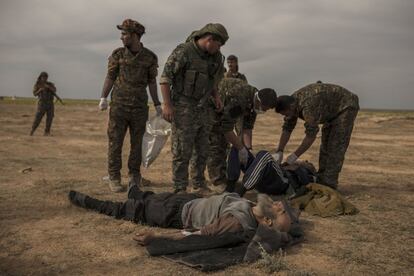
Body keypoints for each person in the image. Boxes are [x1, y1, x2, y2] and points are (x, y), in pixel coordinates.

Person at [68, 186, 292, 238]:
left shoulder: (238, 223)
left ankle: (86, 201)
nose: (280, 205)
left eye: (280, 211)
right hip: (189, 200)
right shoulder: (253, 206)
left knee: (125, 210)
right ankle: (137, 192)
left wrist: (158, 237)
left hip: (174, 214)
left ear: (269, 222)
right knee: (149, 196)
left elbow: (200, 233)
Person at [160, 23, 228, 194]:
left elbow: (212, 80)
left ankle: (198, 184)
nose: (219, 49)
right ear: (209, 39)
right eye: (218, 45)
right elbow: (165, 79)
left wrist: (216, 96)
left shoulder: (215, 58)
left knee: (202, 148)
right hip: (183, 106)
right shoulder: (184, 51)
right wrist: (167, 105)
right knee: (182, 150)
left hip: (203, 107)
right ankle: (179, 188)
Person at [98, 19, 162, 193]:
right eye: (122, 34)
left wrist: (157, 104)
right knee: (115, 142)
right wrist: (103, 97)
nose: (121, 37)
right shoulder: (118, 54)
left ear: (135, 36)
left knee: (137, 144)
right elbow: (110, 76)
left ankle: (134, 176)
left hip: (139, 108)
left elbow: (152, 82)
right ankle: (114, 177)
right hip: (119, 106)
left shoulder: (149, 57)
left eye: (125, 34)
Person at [273, 81, 359, 189]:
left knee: (335, 146)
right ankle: (322, 178)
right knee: (325, 145)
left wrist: (294, 156)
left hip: (345, 106)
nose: (286, 116)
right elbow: (287, 128)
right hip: (330, 110)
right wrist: (279, 151)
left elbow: (311, 136)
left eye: (285, 114)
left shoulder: (308, 107)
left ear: (291, 107)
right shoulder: (292, 103)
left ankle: (329, 184)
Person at [207, 78, 278, 190]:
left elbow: (247, 128)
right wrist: (241, 148)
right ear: (259, 101)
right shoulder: (239, 98)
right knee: (217, 143)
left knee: (229, 145)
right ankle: (217, 181)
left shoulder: (254, 102)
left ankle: (223, 177)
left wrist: (248, 149)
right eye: (264, 108)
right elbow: (226, 128)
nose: (264, 111)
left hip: (224, 109)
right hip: (210, 106)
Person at [30, 72, 61, 136]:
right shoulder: (37, 85)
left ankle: (47, 132)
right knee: (38, 118)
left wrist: (49, 87)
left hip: (50, 103)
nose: (45, 78)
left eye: (46, 77)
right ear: (40, 77)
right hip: (42, 103)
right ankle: (32, 130)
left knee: (50, 118)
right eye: (43, 77)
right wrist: (40, 90)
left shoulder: (49, 84)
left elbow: (54, 90)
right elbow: (34, 94)